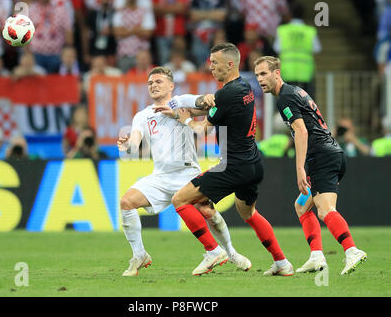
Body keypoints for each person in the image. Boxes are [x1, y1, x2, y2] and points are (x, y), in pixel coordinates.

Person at [157, 43, 294, 276]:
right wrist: (186, 111)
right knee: (248, 213)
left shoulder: (226, 92)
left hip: (233, 166)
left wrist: (184, 120)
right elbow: (218, 110)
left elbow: (203, 130)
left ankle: (213, 251)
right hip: (253, 163)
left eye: (215, 63)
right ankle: (282, 263)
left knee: (180, 200)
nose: (210, 67)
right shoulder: (244, 87)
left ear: (230, 64)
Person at [117, 66, 251, 276]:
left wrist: (206, 98)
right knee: (126, 203)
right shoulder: (142, 116)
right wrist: (126, 145)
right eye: (150, 83)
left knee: (208, 213)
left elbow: (202, 103)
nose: (153, 85)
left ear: (171, 86)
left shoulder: (180, 102)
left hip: (187, 173)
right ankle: (139, 255)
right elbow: (134, 142)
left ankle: (230, 252)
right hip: (160, 176)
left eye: (159, 82)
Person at [254, 56, 368, 275]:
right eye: (257, 74)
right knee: (302, 206)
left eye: (264, 73)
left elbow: (301, 131)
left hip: (322, 157)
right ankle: (316, 256)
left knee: (325, 211)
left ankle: (352, 250)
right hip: (332, 152)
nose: (260, 79)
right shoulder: (296, 91)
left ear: (277, 73)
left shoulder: (285, 98)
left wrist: (300, 168)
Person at [273, 2, 322, 97]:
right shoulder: (310, 31)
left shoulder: (282, 30)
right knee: (306, 102)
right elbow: (317, 49)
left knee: (288, 100)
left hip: (287, 71)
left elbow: (277, 48)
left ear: (290, 14)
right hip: (305, 72)